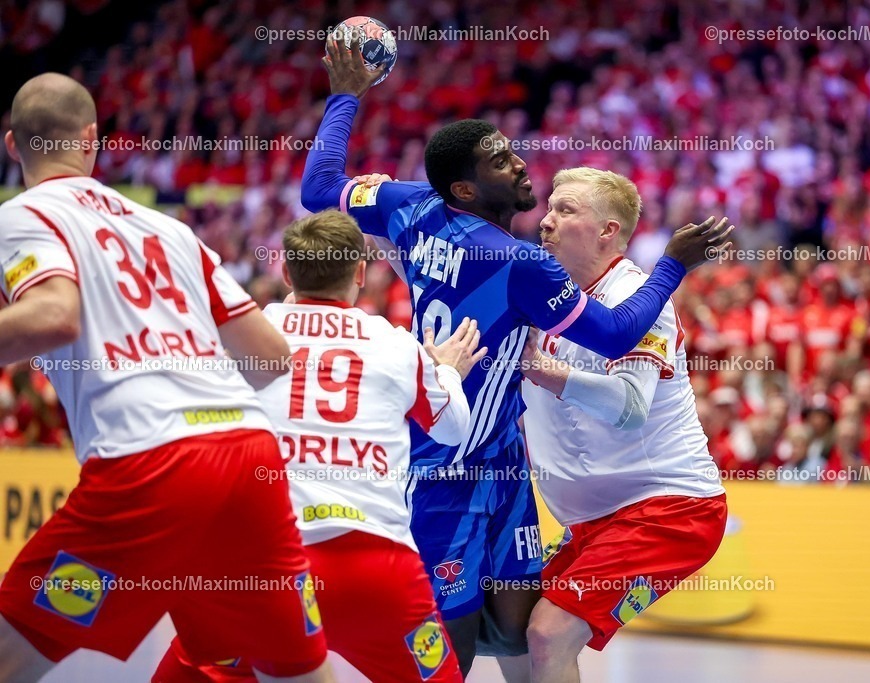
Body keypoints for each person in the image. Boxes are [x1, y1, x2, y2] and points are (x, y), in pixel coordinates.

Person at [300, 38, 734, 678]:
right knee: (458, 649)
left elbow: (318, 189)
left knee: (523, 635)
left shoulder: (410, 205)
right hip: (445, 464)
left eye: (511, 151)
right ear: (466, 188)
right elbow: (613, 335)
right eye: (501, 162)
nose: (520, 166)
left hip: (505, 463)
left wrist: (346, 98)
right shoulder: (519, 262)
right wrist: (674, 265)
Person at [0, 73, 335, 683]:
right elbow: (270, 356)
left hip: (147, 463)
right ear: (92, 140)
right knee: (296, 673)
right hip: (246, 456)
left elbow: (52, 315)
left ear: (11, 145)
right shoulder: (169, 228)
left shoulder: (23, 215)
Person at [154, 210, 480, 682]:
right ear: (361, 273)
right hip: (377, 569)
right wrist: (445, 369)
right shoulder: (395, 346)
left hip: (265, 566)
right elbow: (453, 431)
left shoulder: (250, 338)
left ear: (286, 273)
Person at [519, 168, 728, 682]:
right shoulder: (547, 297)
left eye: (565, 210)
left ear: (608, 230)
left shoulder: (639, 300)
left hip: (669, 507)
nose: (545, 221)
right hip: (592, 519)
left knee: (548, 633)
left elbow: (630, 406)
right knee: (512, 628)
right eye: (547, 208)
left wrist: (546, 373)